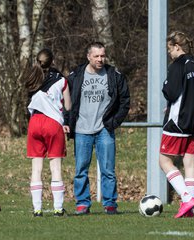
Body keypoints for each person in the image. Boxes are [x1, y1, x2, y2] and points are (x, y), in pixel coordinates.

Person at [64, 41, 130, 215]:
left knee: (108, 169)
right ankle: (82, 203)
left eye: (102, 56)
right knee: (80, 170)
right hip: (81, 130)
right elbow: (66, 101)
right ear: (88, 57)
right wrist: (66, 121)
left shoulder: (114, 75)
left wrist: (114, 122)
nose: (100, 59)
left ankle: (110, 204)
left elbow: (125, 101)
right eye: (96, 56)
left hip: (104, 130)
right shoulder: (75, 76)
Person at [159, 31, 194, 218]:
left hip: (178, 122)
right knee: (189, 162)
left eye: (170, 49)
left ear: (177, 47)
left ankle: (187, 198)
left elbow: (170, 92)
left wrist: (171, 102)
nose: (169, 53)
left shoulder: (177, 65)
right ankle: (190, 210)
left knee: (164, 161)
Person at [25, 48, 71, 217]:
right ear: (53, 62)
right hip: (53, 124)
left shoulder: (31, 79)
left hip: (35, 122)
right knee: (55, 168)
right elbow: (68, 106)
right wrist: (67, 121)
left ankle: (37, 209)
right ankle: (58, 208)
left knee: (36, 168)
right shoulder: (62, 80)